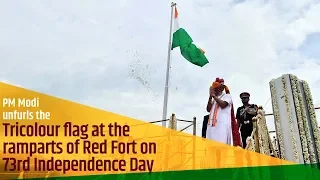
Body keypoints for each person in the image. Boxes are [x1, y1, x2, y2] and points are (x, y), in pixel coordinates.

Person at [204, 78, 241, 146]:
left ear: (221, 88)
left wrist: (214, 96)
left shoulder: (227, 96)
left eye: (216, 89)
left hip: (222, 128)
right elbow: (208, 109)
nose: (215, 90)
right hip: (212, 128)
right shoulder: (214, 98)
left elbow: (223, 105)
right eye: (214, 89)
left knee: (221, 148)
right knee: (211, 148)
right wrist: (210, 97)